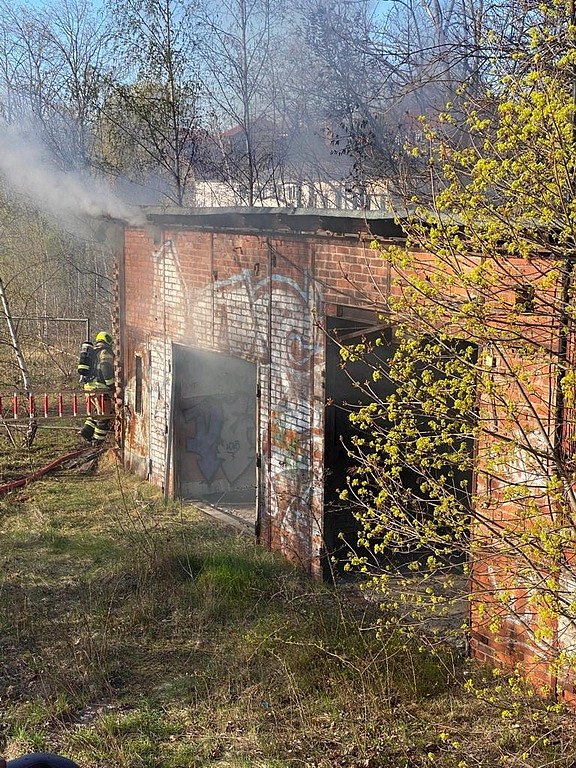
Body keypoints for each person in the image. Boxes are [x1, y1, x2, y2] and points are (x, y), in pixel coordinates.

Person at [78, 330, 115, 445]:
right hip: (100, 389)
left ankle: (86, 432)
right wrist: (111, 385)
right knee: (104, 416)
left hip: (88, 388)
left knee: (96, 412)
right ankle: (98, 441)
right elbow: (105, 369)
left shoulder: (92, 352)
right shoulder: (105, 353)